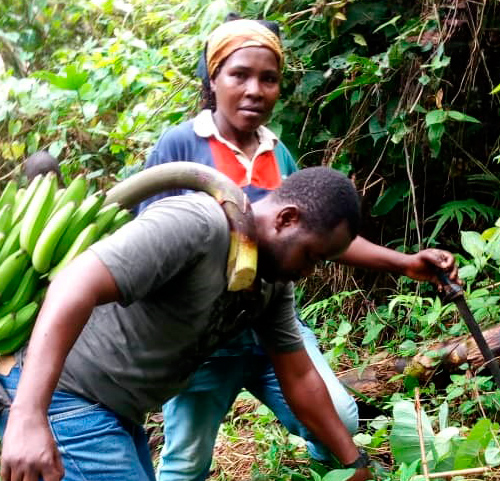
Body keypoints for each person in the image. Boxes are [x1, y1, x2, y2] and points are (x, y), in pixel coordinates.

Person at [137, 17, 459, 481]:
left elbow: (319, 236)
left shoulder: (277, 152)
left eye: (268, 79)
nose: (254, 90)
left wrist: (406, 263)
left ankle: (326, 470)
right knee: (187, 461)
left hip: (272, 327)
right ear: (213, 78)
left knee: (339, 423)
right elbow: (149, 241)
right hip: (202, 341)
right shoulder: (181, 144)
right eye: (239, 75)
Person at [0, 166, 371, 481]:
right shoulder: (198, 224)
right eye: (311, 256)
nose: (308, 272)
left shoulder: (271, 283)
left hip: (119, 414)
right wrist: (28, 415)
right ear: (286, 219)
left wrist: (355, 461)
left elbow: (300, 377)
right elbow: (73, 283)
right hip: (65, 399)